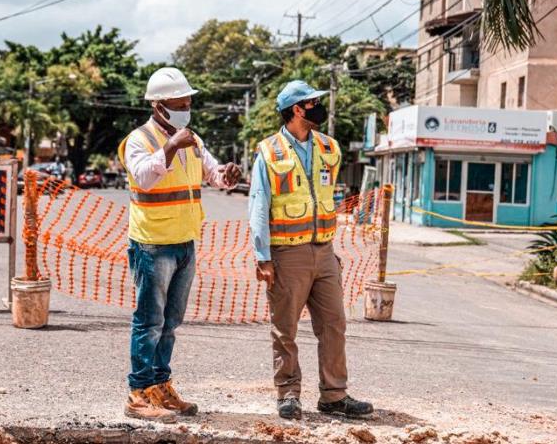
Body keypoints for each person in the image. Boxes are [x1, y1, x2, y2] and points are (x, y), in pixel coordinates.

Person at [117, 67, 241, 423]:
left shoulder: (194, 140)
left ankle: (160, 385)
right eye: (180, 100)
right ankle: (138, 392)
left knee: (170, 322)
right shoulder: (139, 140)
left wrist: (226, 176)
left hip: (185, 242)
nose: (187, 105)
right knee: (149, 321)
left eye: (188, 100)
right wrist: (170, 147)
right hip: (152, 244)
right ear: (159, 105)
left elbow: (213, 175)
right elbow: (143, 178)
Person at [249, 80, 374, 420]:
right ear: (296, 110)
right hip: (287, 253)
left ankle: (334, 396)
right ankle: (288, 393)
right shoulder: (270, 152)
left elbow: (326, 196)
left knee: (334, 323)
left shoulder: (328, 148)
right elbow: (259, 205)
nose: (319, 106)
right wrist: (263, 256)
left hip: (324, 251)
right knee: (285, 328)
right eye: (312, 102)